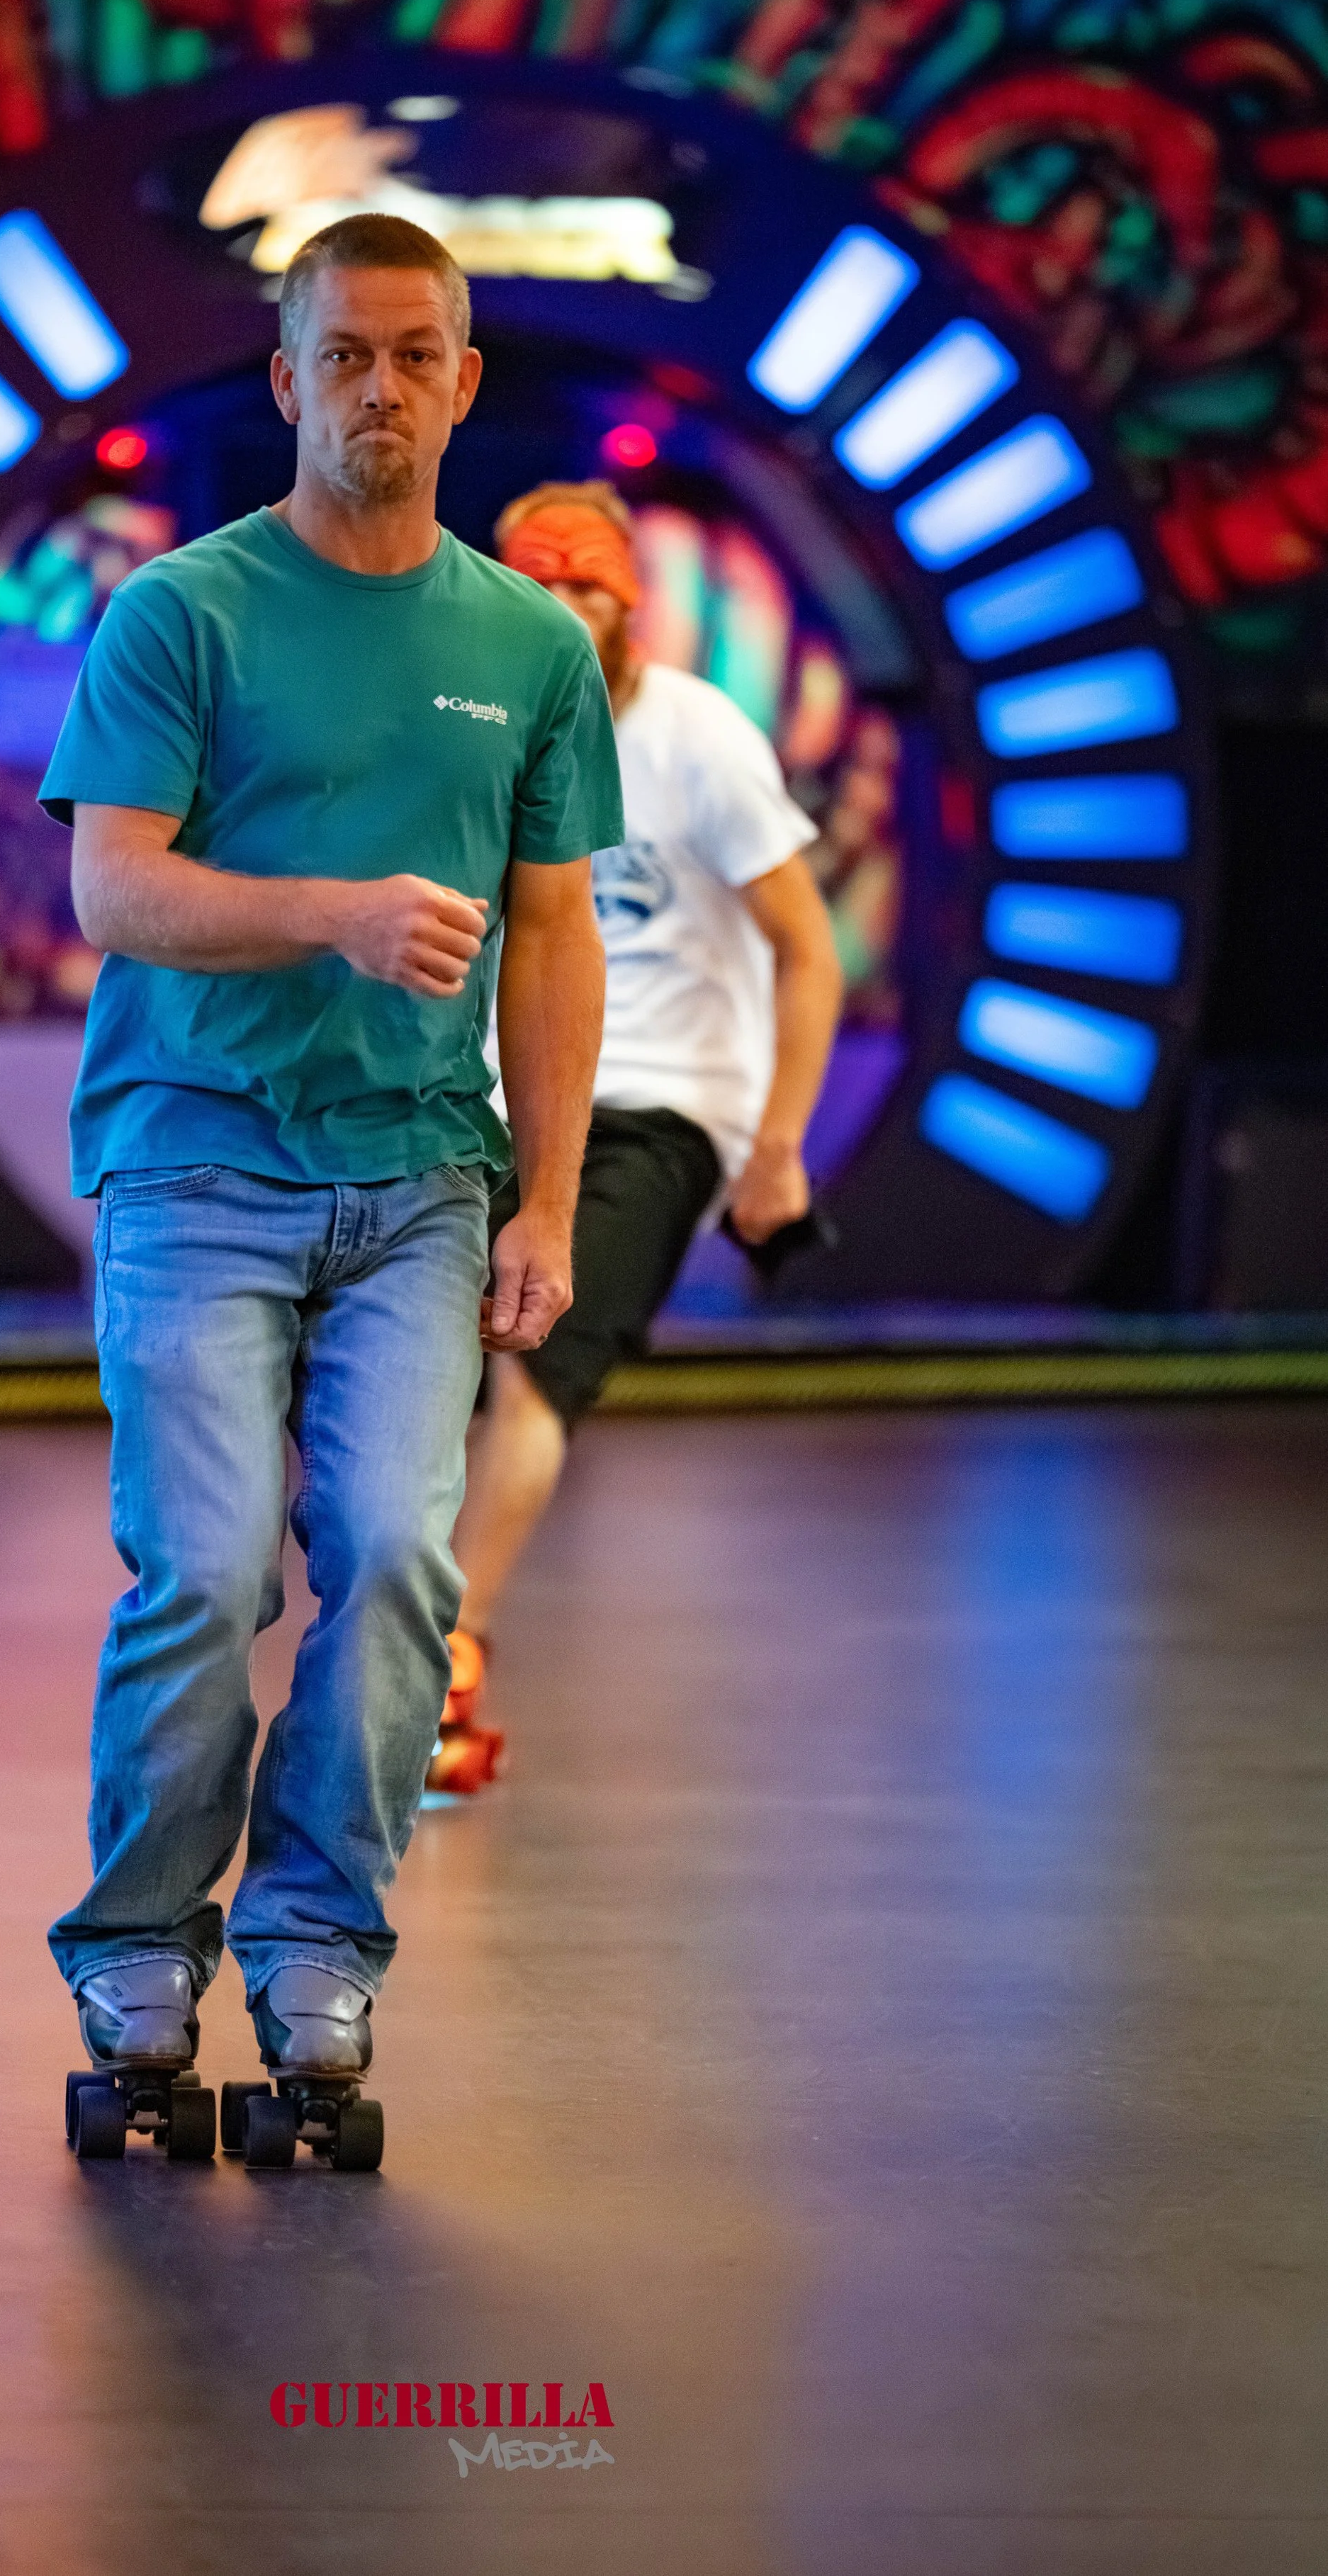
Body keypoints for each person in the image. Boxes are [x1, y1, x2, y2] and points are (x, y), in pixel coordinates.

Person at [36, 220, 621, 2133]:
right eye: (344, 356)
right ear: (287, 382)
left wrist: (548, 1203)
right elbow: (113, 885)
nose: (379, 387)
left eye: (413, 355)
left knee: (390, 1560)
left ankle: (314, 1948)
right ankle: (138, 1940)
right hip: (194, 1162)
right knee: (206, 1568)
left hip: (421, 1187)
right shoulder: (181, 613)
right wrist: (335, 913)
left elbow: (555, 935)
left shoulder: (531, 646)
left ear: (463, 384)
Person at [433, 481, 844, 1795]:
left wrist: (777, 1144)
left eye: (589, 588)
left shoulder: (697, 737)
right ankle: (394, 1634)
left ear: (628, 606)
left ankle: (450, 1653)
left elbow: (809, 950)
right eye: (540, 585)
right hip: (504, 1092)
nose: (564, 610)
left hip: (663, 1103)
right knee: (408, 1361)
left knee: (533, 1362)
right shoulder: (477, 727)